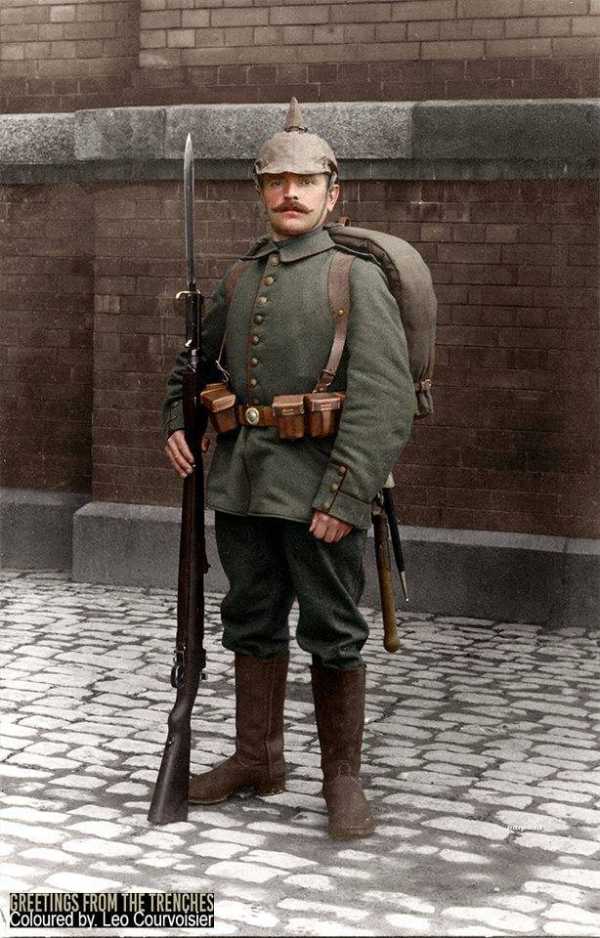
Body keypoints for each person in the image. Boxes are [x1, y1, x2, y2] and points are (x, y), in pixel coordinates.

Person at [162, 99, 416, 839]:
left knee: (333, 629)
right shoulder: (242, 277)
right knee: (250, 619)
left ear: (333, 193)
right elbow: (194, 368)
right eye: (277, 182)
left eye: (306, 182)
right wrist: (177, 421)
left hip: (318, 489)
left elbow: (384, 399)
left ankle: (342, 778)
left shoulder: (353, 277)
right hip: (244, 485)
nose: (291, 194)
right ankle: (257, 759)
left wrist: (346, 495)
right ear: (261, 191)